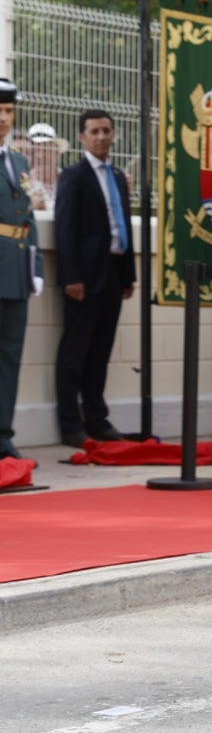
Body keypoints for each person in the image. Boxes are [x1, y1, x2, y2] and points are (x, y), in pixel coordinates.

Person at [53, 109, 135, 448]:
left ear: (113, 134)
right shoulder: (74, 175)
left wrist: (129, 275)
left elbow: (124, 226)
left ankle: (97, 420)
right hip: (83, 278)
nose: (101, 136)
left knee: (100, 352)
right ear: (82, 138)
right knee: (75, 353)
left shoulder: (117, 176)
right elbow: (65, 229)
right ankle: (71, 425)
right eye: (94, 131)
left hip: (114, 276)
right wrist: (71, 276)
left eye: (106, 130)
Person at [0, 79, 45, 461]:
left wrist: (37, 265)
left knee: (10, 357)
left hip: (15, 271)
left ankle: (3, 435)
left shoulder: (18, 161)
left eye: (9, 111)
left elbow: (28, 217)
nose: (3, 118)